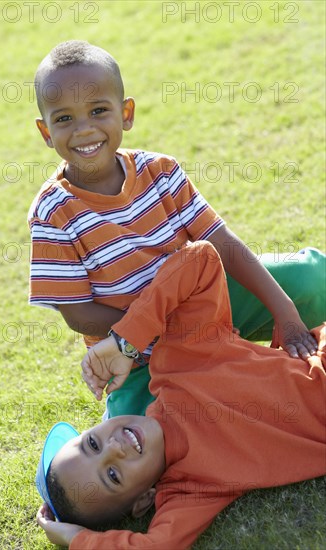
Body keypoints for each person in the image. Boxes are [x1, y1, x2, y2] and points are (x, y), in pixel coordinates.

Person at [29, 39, 324, 417]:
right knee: (142, 431)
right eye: (64, 119)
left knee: (311, 279)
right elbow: (79, 314)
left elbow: (221, 242)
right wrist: (167, 334)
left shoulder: (160, 172)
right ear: (46, 133)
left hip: (212, 307)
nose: (84, 130)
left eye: (99, 110)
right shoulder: (52, 212)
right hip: (134, 354)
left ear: (127, 113)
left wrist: (284, 310)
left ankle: (243, 345)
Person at [35, 241, 326, 549]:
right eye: (113, 474)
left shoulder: (177, 363)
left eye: (93, 443)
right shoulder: (189, 490)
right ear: (144, 501)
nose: (115, 447)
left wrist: (126, 340)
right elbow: (160, 545)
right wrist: (77, 539)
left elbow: (200, 259)